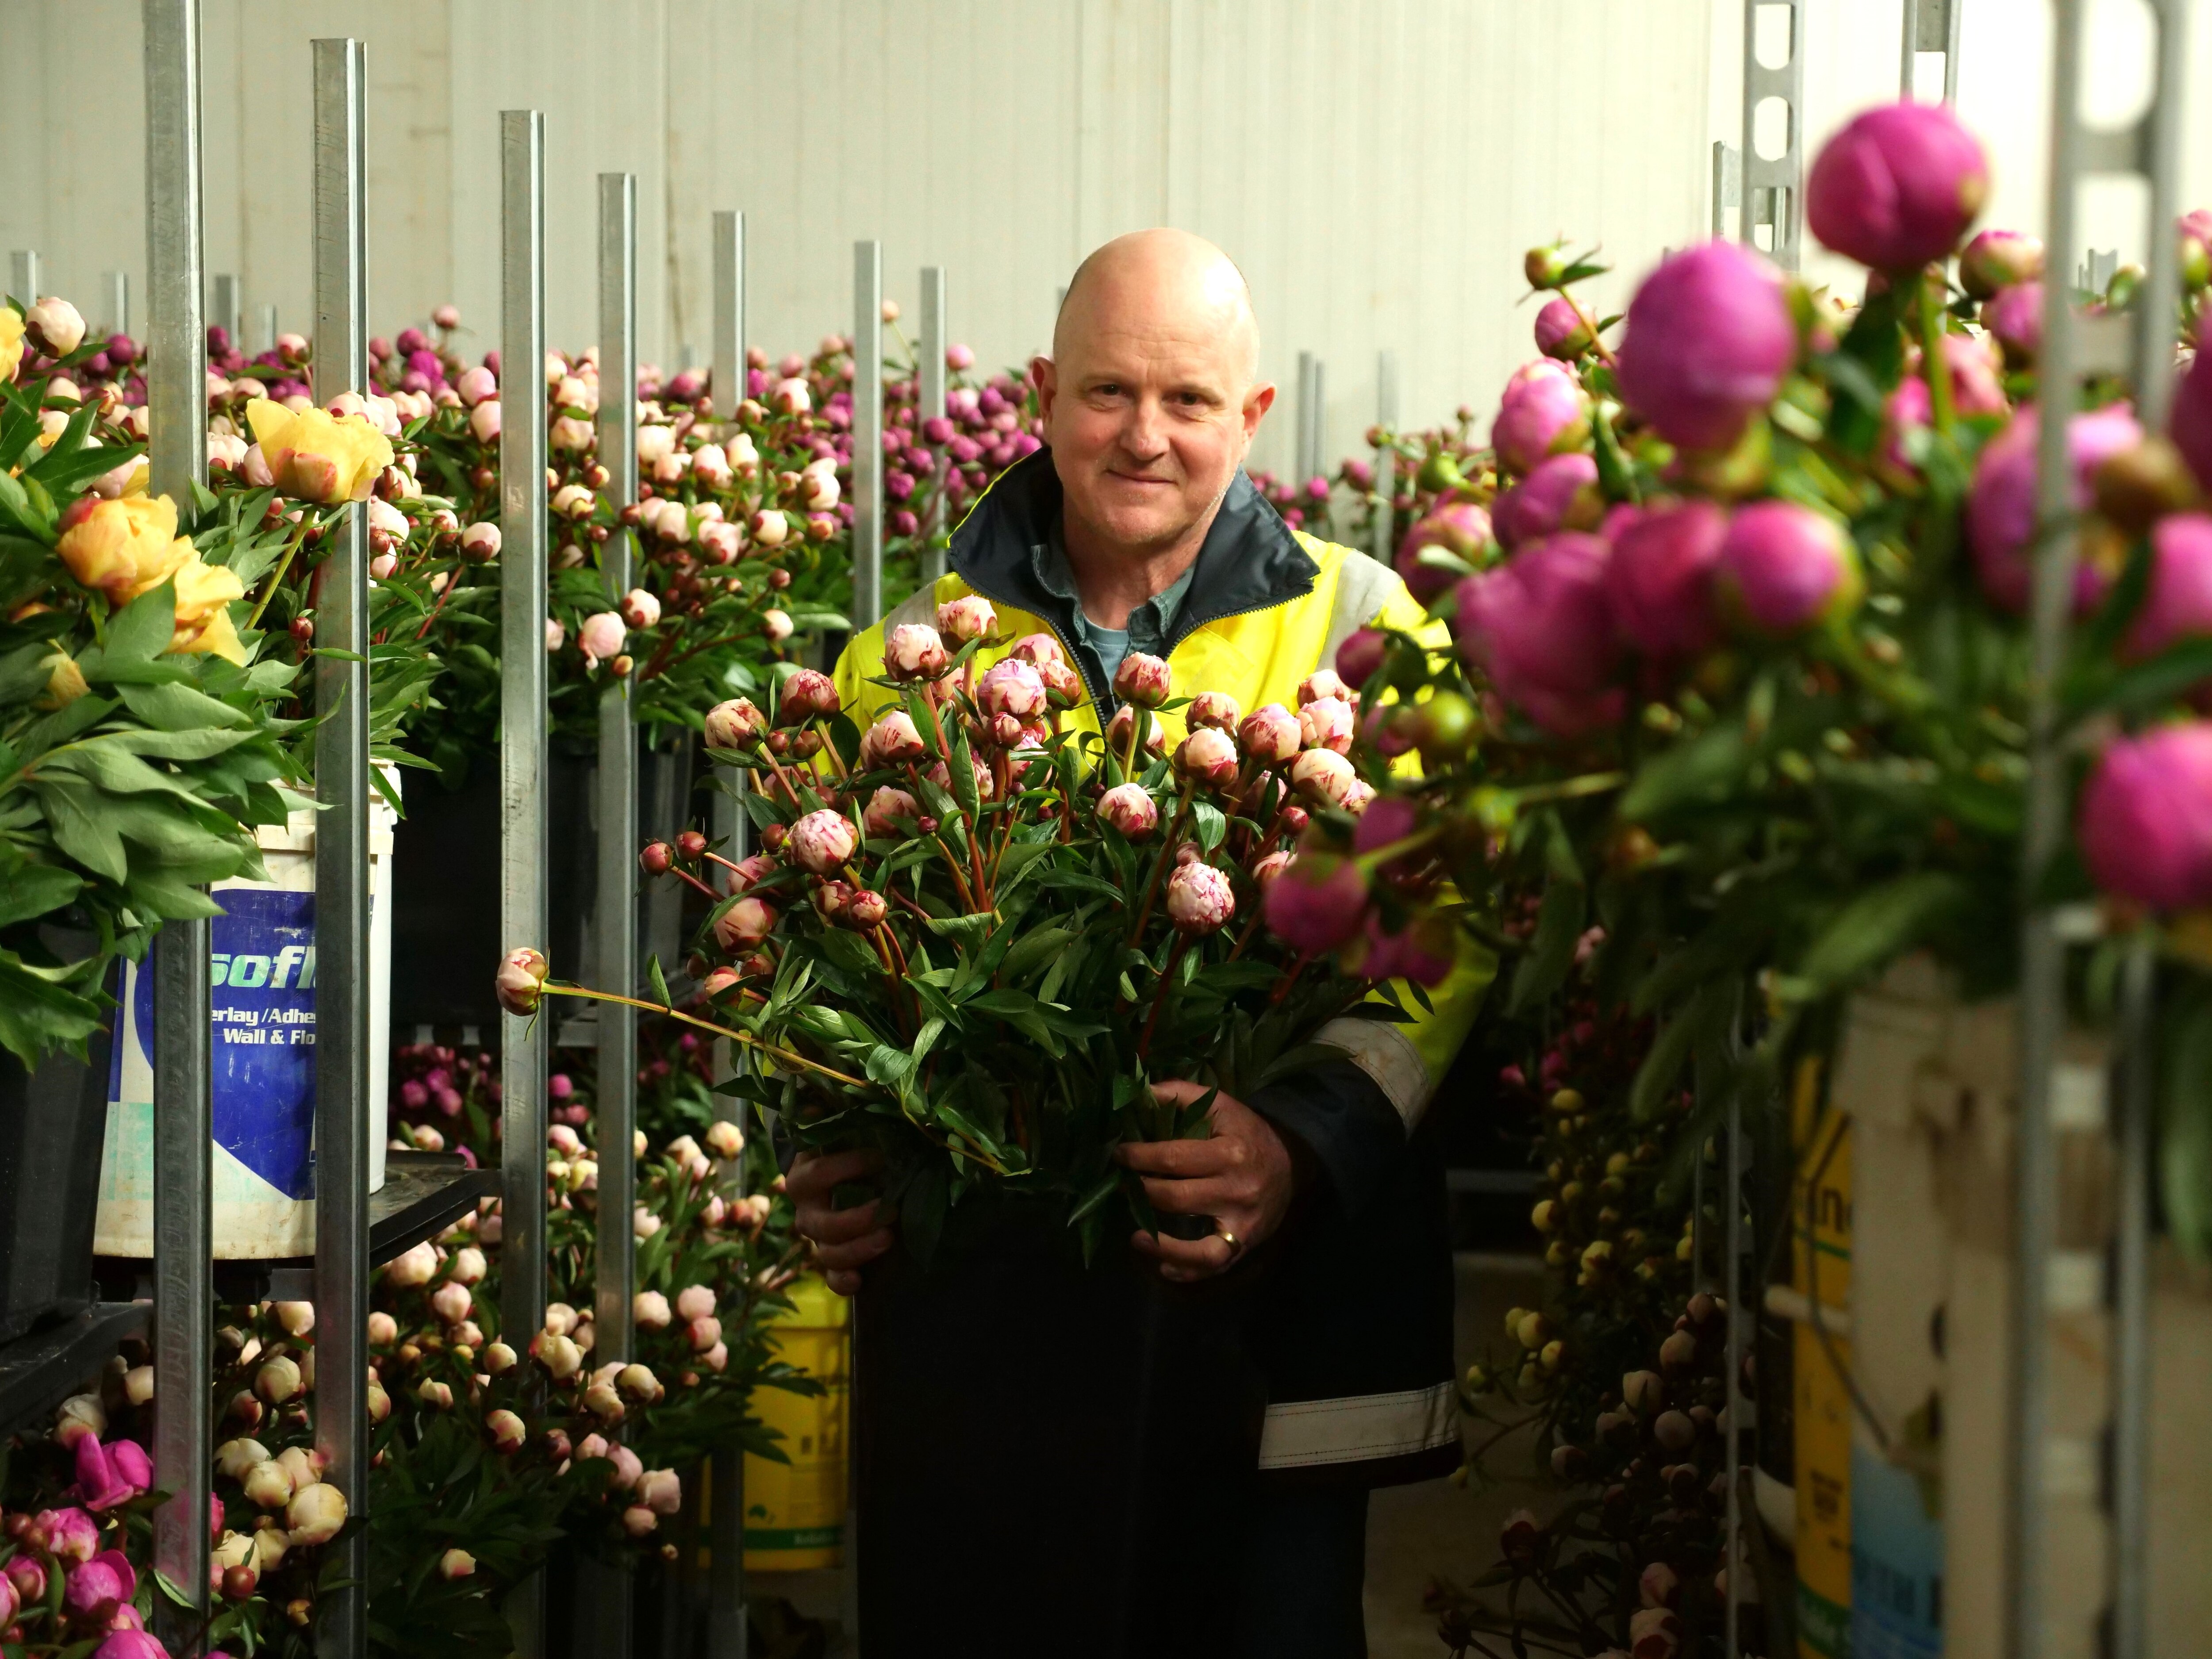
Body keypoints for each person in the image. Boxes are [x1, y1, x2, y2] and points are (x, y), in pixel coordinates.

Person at [788, 229, 1492, 1658]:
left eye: (1187, 400)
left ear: (1252, 417)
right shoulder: (912, 651)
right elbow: (829, 960)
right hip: (991, 1329)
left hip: (1272, 1321)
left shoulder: (1366, 628)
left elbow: (1449, 934)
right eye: (1109, 393)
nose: (1146, 436)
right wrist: (835, 1147)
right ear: (1045, 393)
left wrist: (1298, 1141)